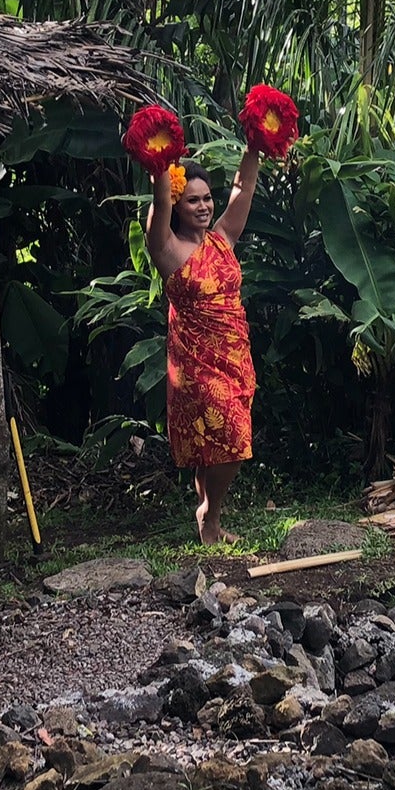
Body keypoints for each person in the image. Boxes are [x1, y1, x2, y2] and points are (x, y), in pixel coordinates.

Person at [146, 146, 262, 545]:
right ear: (177, 206)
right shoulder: (166, 248)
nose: (203, 207)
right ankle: (209, 516)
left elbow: (243, 189)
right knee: (233, 438)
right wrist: (160, 164)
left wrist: (254, 147)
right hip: (195, 361)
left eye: (207, 198)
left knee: (212, 445)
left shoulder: (222, 238)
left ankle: (209, 515)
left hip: (235, 354)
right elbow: (160, 200)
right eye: (192, 200)